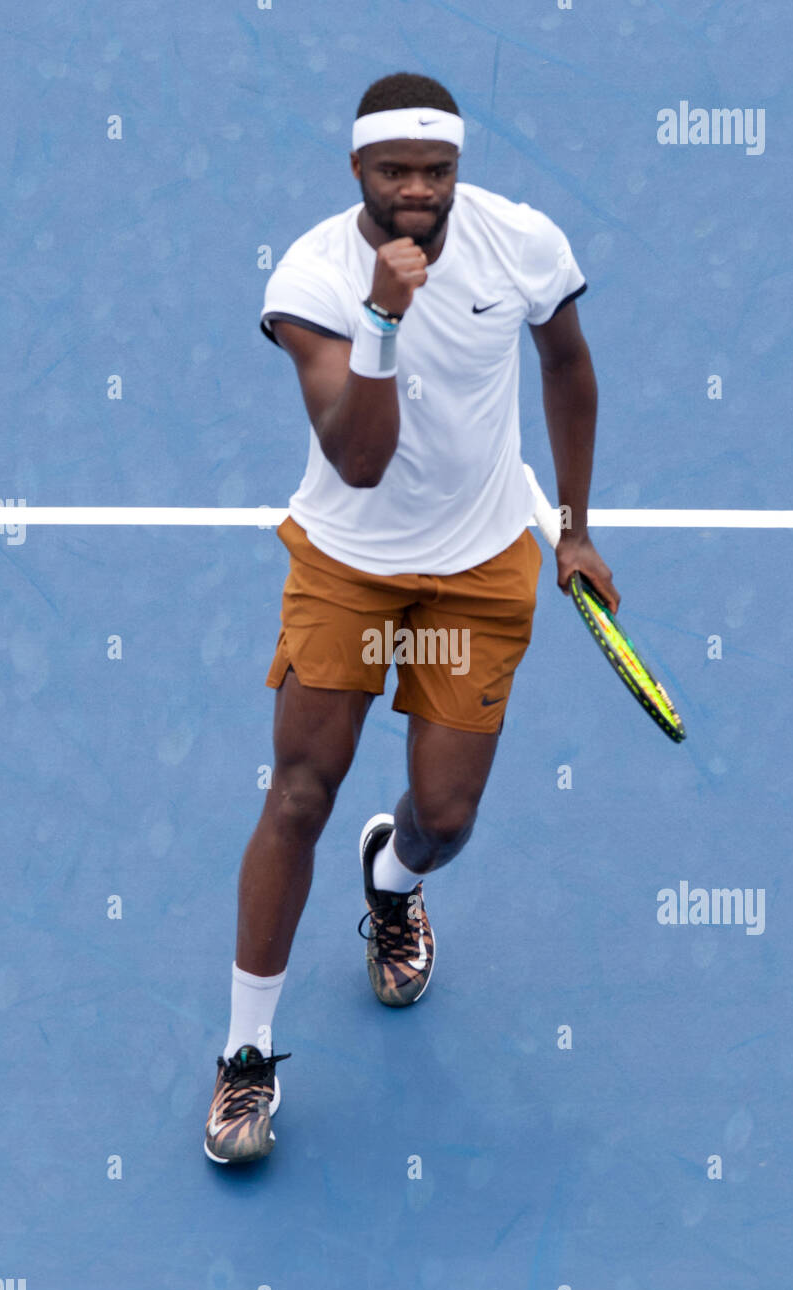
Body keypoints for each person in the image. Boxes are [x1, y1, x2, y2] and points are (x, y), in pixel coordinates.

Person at [204, 71, 619, 1165]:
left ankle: (391, 875)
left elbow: (566, 368)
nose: (419, 191)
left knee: (445, 818)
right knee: (296, 793)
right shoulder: (309, 277)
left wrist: (571, 528)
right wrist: (386, 316)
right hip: (347, 564)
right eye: (396, 171)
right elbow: (360, 455)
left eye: (436, 170)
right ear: (356, 172)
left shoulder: (520, 242)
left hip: (480, 570)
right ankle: (245, 1058)